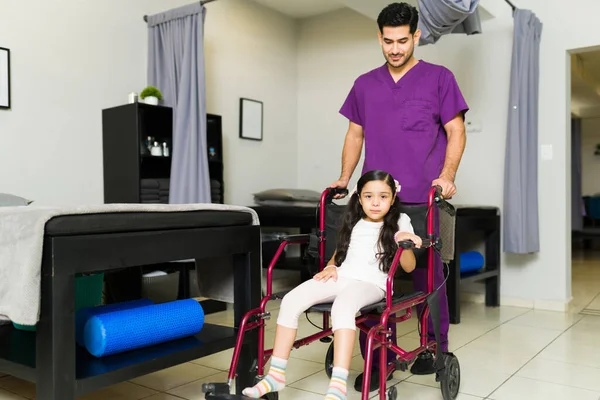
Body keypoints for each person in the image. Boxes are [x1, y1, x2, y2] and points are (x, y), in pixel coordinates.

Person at [329, 2, 469, 392]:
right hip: (376, 200)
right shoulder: (365, 84)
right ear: (379, 38)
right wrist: (345, 177)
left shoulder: (439, 78)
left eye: (402, 41)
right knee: (370, 275)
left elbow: (455, 131)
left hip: (424, 197)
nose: (394, 49)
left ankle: (435, 350)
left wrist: (447, 175)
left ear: (417, 36)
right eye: (387, 41)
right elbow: (355, 134)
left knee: (428, 275)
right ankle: (380, 358)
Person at [242, 170, 422, 400]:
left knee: (343, 307)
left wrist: (403, 243)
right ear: (359, 198)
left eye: (383, 196)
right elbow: (342, 252)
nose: (375, 202)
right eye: (368, 196)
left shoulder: (400, 220)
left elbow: (409, 268)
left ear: (393, 198)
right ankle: (276, 375)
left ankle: (337, 387)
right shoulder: (354, 220)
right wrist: (330, 267)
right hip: (342, 275)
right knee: (291, 300)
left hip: (372, 283)